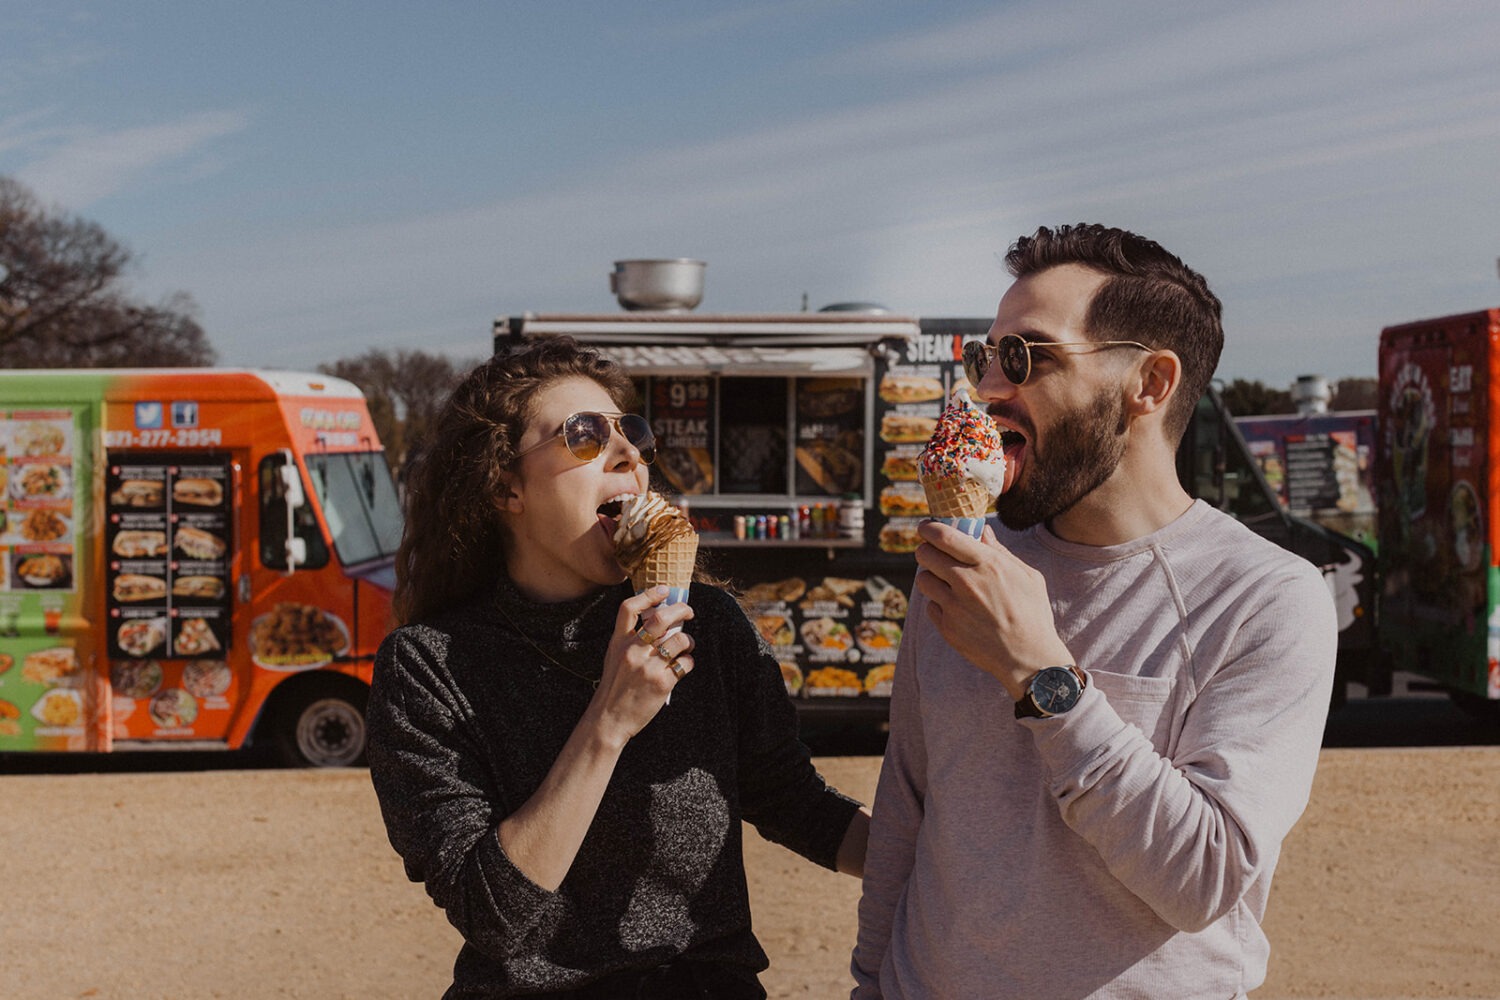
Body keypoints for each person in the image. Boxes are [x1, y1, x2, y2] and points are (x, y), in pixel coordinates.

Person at [852, 224, 1337, 998]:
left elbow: (1202, 880)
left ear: (1149, 383)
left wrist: (1037, 672)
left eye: (1027, 357)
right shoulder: (964, 561)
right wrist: (869, 984)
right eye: (985, 358)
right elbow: (908, 815)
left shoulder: (1266, 599)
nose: (988, 389)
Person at [366, 337, 869, 1000]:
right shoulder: (428, 665)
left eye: (631, 434)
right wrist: (609, 720)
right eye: (583, 435)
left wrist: (947, 854)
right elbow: (493, 914)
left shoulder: (708, 626)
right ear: (505, 484)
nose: (630, 454)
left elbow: (792, 799)